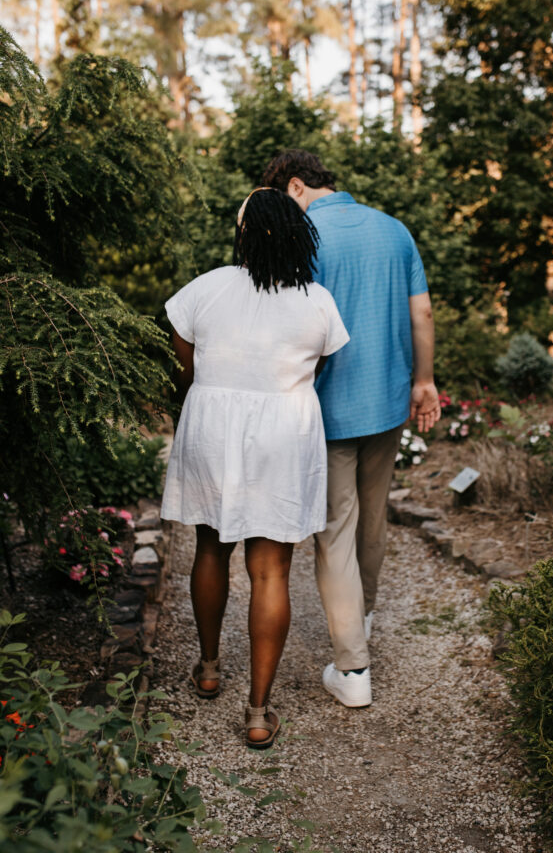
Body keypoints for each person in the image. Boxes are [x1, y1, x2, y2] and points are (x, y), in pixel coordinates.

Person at [160, 187, 349, 747]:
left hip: (212, 424)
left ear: (243, 233)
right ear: (297, 235)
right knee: (270, 572)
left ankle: (211, 666)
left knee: (211, 549)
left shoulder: (207, 287)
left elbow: (183, 360)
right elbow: (323, 362)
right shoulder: (317, 300)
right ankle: (260, 711)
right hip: (284, 434)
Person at [262, 150, 440, 708]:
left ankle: (354, 668)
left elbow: (287, 326)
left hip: (327, 409)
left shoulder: (301, 236)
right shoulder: (395, 230)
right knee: (372, 513)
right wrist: (425, 382)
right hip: (387, 402)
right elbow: (423, 314)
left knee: (334, 526)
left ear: (295, 186)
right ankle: (359, 614)